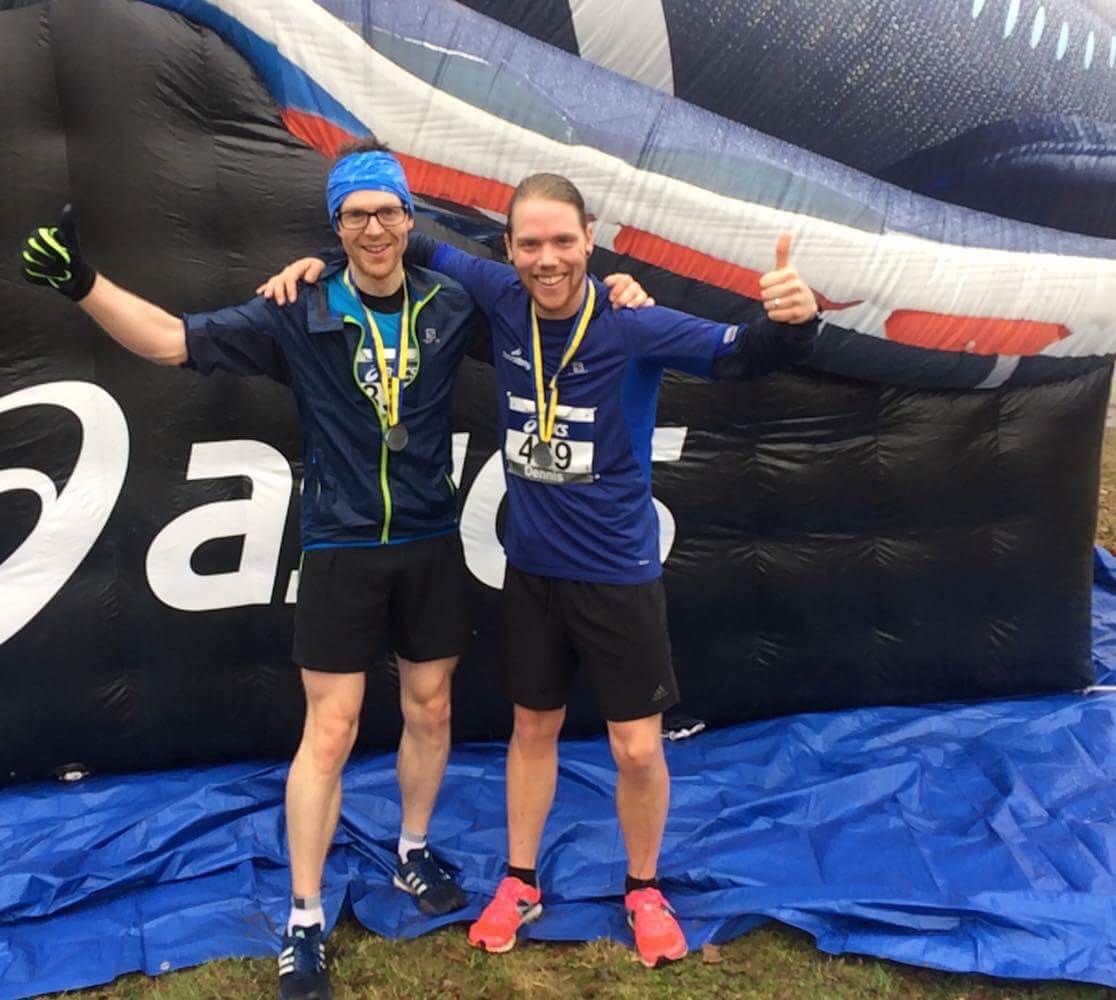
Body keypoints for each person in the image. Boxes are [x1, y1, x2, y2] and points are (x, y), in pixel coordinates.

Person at [20, 146, 649, 1000]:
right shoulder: (300, 308)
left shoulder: (451, 303)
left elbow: (549, 313)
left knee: (432, 707)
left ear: (408, 219)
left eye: (387, 212)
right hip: (341, 546)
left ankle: (412, 849)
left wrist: (618, 291)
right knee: (332, 728)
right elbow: (171, 341)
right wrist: (81, 283)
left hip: (430, 541)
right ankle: (305, 918)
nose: (375, 228)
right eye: (356, 215)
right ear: (337, 225)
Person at [259, 171, 820, 969]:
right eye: (530, 244)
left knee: (636, 749)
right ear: (509, 248)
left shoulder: (633, 321)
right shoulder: (497, 293)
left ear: (590, 239)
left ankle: (644, 887)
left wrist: (795, 324)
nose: (547, 258)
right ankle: (519, 880)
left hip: (618, 574)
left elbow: (740, 356)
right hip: (531, 572)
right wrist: (316, 265)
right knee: (532, 730)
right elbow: (396, 240)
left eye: (563, 241)